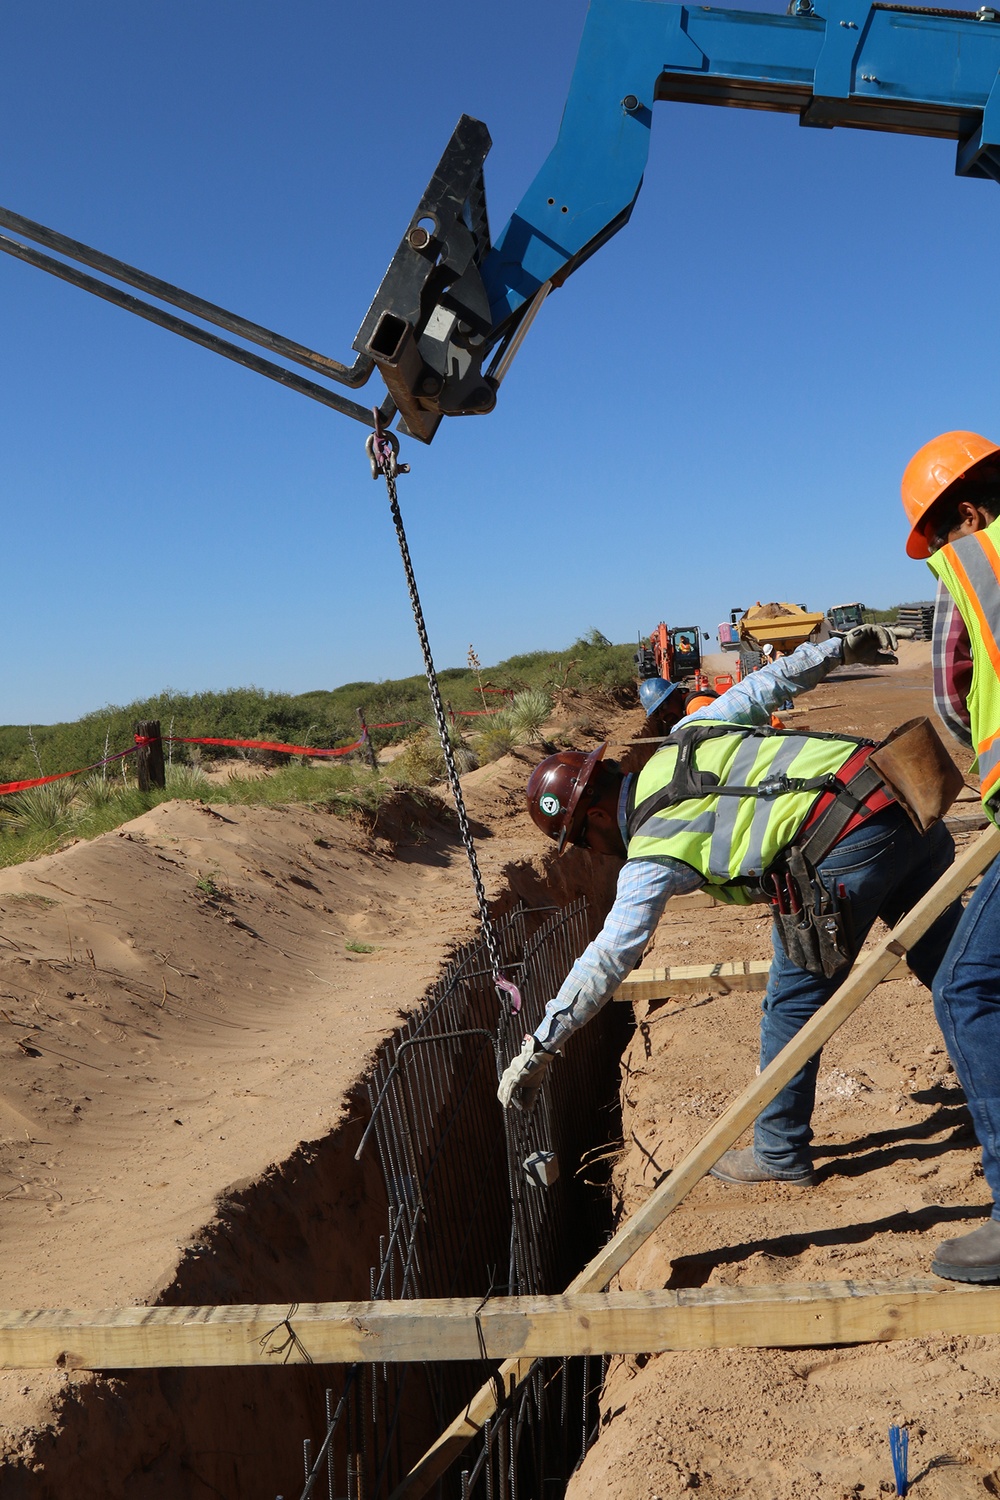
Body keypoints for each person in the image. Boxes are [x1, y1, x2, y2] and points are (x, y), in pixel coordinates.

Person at [498, 627, 965, 1189]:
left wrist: (543, 1043)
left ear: (596, 818)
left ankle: (778, 1151)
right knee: (954, 965)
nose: (593, 854)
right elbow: (772, 680)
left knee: (791, 1008)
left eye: (583, 843)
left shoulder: (652, 848)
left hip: (844, 844)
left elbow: (609, 955)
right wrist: (837, 648)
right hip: (901, 788)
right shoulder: (691, 731)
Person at [901, 430, 1000, 1282]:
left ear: (965, 512)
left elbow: (947, 695)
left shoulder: (976, 564)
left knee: (967, 987)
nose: (939, 556)